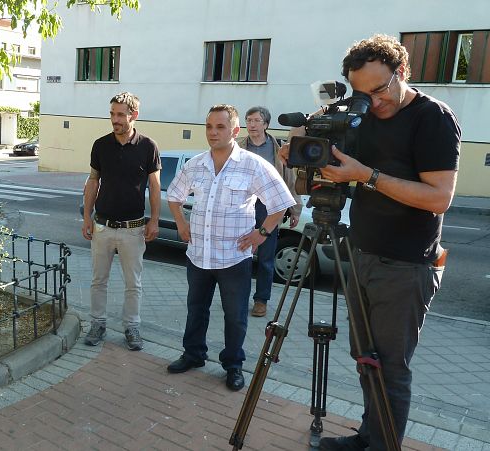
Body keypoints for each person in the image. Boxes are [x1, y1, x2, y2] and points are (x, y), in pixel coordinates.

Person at [279, 35, 460, 450]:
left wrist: (367, 176)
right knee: (366, 361)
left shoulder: (432, 117)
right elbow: (335, 161)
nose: (372, 103)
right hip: (360, 253)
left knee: (390, 369)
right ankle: (368, 438)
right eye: (362, 94)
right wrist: (305, 149)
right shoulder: (363, 113)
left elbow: (439, 198)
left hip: (406, 265)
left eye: (379, 90)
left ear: (402, 72)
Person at [165, 104, 296, 390]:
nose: (213, 132)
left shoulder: (253, 164)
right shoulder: (196, 164)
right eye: (209, 126)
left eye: (220, 127)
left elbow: (281, 202)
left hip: (233, 258)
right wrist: (180, 223)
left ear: (235, 131)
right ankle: (193, 354)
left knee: (235, 316)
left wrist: (262, 233)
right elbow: (174, 196)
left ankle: (233, 365)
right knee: (195, 309)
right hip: (198, 255)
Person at [81, 92, 161, 351]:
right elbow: (93, 181)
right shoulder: (100, 145)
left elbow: (155, 185)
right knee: (98, 280)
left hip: (133, 229)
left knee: (133, 283)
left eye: (120, 115)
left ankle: (132, 327)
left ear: (133, 115)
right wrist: (86, 217)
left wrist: (155, 220)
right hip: (102, 226)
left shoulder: (148, 146)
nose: (114, 119)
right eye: (112, 114)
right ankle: (97, 324)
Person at [236, 106, 301, 317]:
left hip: (269, 208)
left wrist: (295, 209)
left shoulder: (278, 148)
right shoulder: (238, 147)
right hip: (243, 206)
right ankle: (238, 297)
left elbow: (289, 181)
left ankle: (261, 300)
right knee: (241, 254)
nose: (252, 124)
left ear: (265, 124)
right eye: (249, 120)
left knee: (265, 257)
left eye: (256, 120)